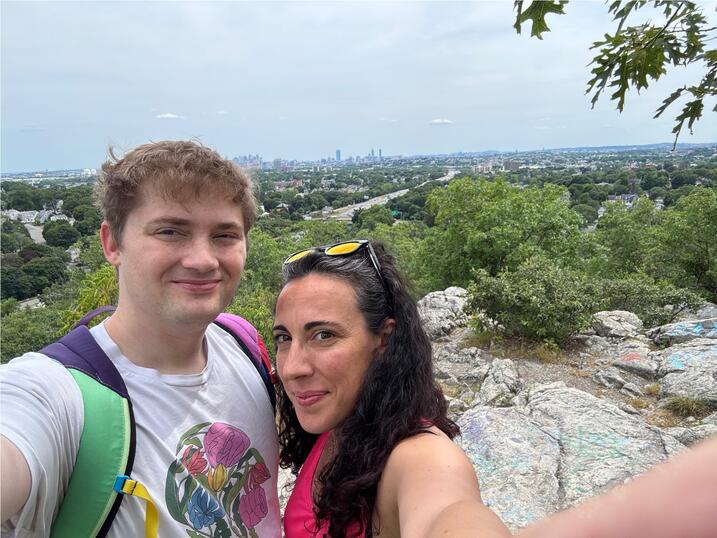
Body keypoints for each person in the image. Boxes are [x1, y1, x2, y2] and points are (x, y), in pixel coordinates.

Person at [0, 141, 281, 537]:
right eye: (170, 231)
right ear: (112, 243)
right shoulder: (56, 394)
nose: (203, 260)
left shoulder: (242, 342)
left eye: (224, 236)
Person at [272, 239, 511, 537]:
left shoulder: (422, 457)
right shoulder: (340, 426)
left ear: (384, 339)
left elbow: (447, 511)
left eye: (323, 335)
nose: (293, 368)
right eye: (284, 338)